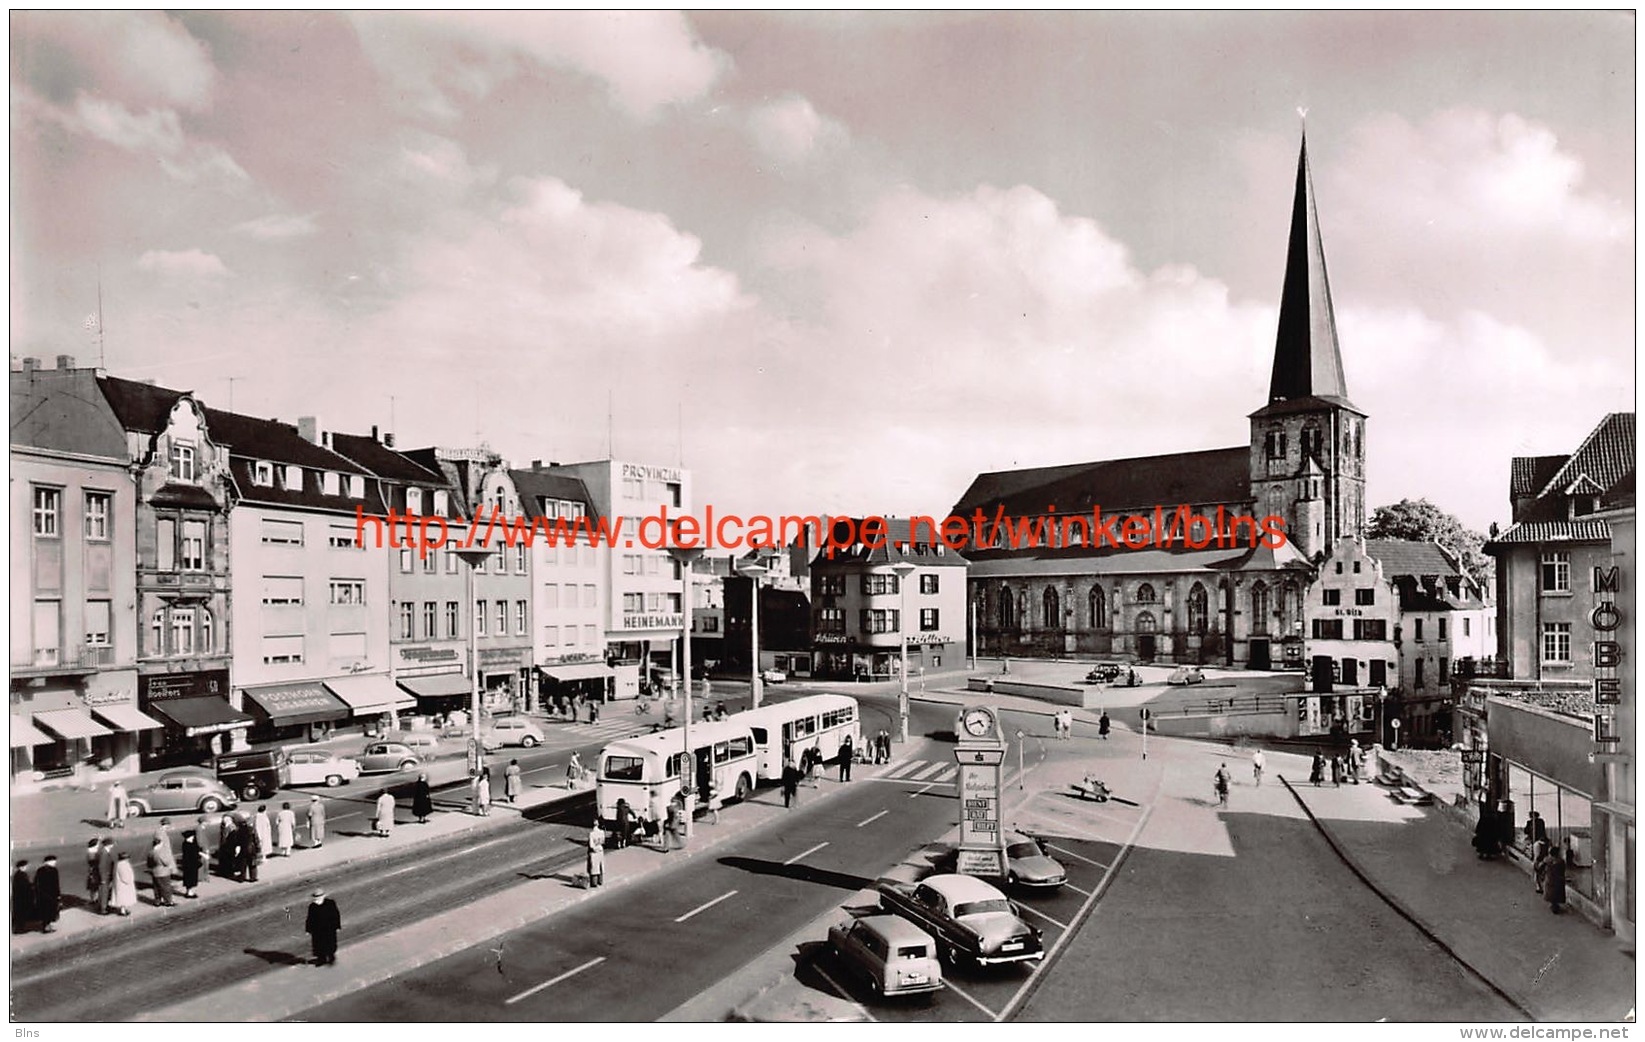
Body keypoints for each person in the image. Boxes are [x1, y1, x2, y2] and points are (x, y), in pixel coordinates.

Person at [305, 888, 342, 966]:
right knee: (319, 945)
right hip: (317, 930)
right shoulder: (312, 906)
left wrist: (337, 925)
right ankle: (321, 960)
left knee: (330, 943)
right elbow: (310, 918)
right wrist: (308, 929)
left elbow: (335, 915)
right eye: (316, 897)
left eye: (318, 897)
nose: (317, 899)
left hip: (329, 928)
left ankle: (331, 958)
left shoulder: (330, 903)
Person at [147, 837, 176, 907]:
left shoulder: (150, 853)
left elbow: (149, 864)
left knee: (156, 888)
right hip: (163, 872)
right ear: (159, 844)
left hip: (155, 872)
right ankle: (168, 901)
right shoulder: (161, 853)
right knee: (166, 887)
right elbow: (166, 862)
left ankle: (157, 901)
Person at [34, 856, 60, 933]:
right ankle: (46, 927)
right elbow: (56, 884)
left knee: (45, 910)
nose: (55, 863)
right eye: (54, 861)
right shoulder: (54, 870)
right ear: (49, 862)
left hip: (42, 894)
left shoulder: (40, 870)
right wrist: (58, 895)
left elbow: (36, 882)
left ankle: (46, 925)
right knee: (50, 910)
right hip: (51, 894)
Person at [179, 830, 204, 898]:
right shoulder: (187, 845)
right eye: (192, 836)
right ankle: (189, 893)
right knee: (190, 878)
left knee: (191, 878)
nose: (193, 838)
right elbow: (194, 853)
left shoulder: (188, 843)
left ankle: (189, 891)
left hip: (191, 864)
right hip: (190, 865)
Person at [111, 852, 136, 916]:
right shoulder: (123, 865)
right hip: (124, 885)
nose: (128, 859)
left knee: (122, 898)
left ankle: (123, 910)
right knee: (123, 898)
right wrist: (129, 881)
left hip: (120, 884)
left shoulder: (118, 864)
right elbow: (124, 876)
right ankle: (123, 911)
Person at [12, 860, 35, 934]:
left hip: (20, 897)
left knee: (21, 913)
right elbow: (23, 886)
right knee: (20, 913)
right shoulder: (20, 875)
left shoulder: (21, 874)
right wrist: (31, 886)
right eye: (25, 866)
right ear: (21, 867)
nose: (26, 867)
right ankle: (19, 929)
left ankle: (20, 928)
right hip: (21, 897)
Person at [97, 837, 117, 912]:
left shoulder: (106, 851)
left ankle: (105, 906)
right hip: (105, 876)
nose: (113, 845)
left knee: (106, 892)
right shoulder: (104, 853)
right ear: (108, 844)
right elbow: (101, 866)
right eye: (112, 844)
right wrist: (103, 878)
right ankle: (103, 909)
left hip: (107, 875)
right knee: (104, 893)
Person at [239, 814, 262, 882]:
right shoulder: (252, 830)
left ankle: (242, 877)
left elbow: (238, 839)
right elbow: (256, 839)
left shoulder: (240, 830)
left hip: (243, 848)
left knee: (243, 864)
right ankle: (253, 877)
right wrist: (258, 848)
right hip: (251, 848)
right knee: (252, 864)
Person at [586, 823, 606, 888]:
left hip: (594, 851)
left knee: (594, 867)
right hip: (600, 850)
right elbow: (603, 841)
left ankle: (594, 882)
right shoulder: (602, 832)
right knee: (600, 865)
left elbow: (591, 845)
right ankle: (600, 881)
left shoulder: (591, 834)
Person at [85, 838, 102, 906]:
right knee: (95, 885)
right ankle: (94, 899)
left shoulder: (90, 850)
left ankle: (93, 899)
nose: (99, 844)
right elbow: (93, 862)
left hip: (92, 870)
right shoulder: (92, 852)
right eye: (98, 843)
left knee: (93, 886)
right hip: (95, 870)